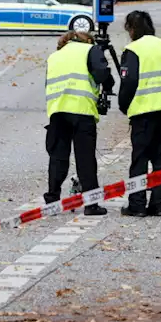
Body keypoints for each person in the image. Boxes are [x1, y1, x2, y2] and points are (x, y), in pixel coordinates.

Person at [118, 10, 161, 217]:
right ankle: (158, 205)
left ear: (131, 29)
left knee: (140, 159)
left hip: (144, 111)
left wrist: (124, 105)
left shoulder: (133, 49)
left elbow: (128, 81)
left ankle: (137, 205)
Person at [44, 30, 114, 215]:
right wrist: (108, 86)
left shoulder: (54, 56)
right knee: (85, 158)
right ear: (87, 40)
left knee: (58, 157)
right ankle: (91, 204)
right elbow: (101, 74)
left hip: (57, 110)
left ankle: (52, 201)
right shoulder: (90, 49)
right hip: (81, 110)